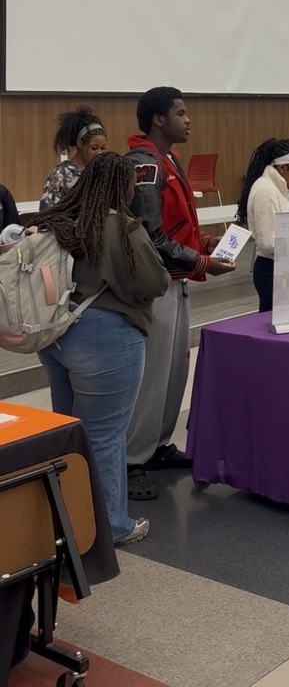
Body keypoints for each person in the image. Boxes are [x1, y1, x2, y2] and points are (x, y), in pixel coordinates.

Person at [33, 152, 170, 546]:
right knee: (105, 434)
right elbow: (153, 282)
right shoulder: (121, 227)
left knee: (68, 427)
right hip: (106, 338)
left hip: (56, 333)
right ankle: (112, 525)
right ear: (121, 186)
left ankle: (65, 514)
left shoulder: (58, 220)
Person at [125, 87, 236, 502]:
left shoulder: (167, 159)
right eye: (181, 113)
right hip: (155, 284)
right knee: (152, 376)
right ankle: (132, 459)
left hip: (177, 277)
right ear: (158, 119)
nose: (188, 120)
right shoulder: (143, 165)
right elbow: (149, 236)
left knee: (173, 373)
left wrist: (203, 242)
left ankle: (156, 447)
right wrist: (202, 262)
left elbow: (172, 225)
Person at [237, 139, 289, 313]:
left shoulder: (281, 188)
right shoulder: (265, 190)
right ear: (282, 168)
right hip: (271, 271)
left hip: (285, 267)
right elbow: (267, 242)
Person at [39, 106, 107, 210]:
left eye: (103, 148)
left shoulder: (105, 172)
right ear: (80, 143)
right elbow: (46, 214)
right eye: (94, 148)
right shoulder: (60, 175)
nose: (99, 153)